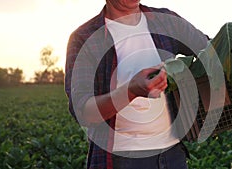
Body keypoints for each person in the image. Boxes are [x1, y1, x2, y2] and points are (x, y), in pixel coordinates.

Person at [65, 0, 209, 168]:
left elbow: (212, 52)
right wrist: (130, 91)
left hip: (173, 155)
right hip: (122, 159)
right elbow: (84, 111)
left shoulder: (166, 20)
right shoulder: (84, 38)